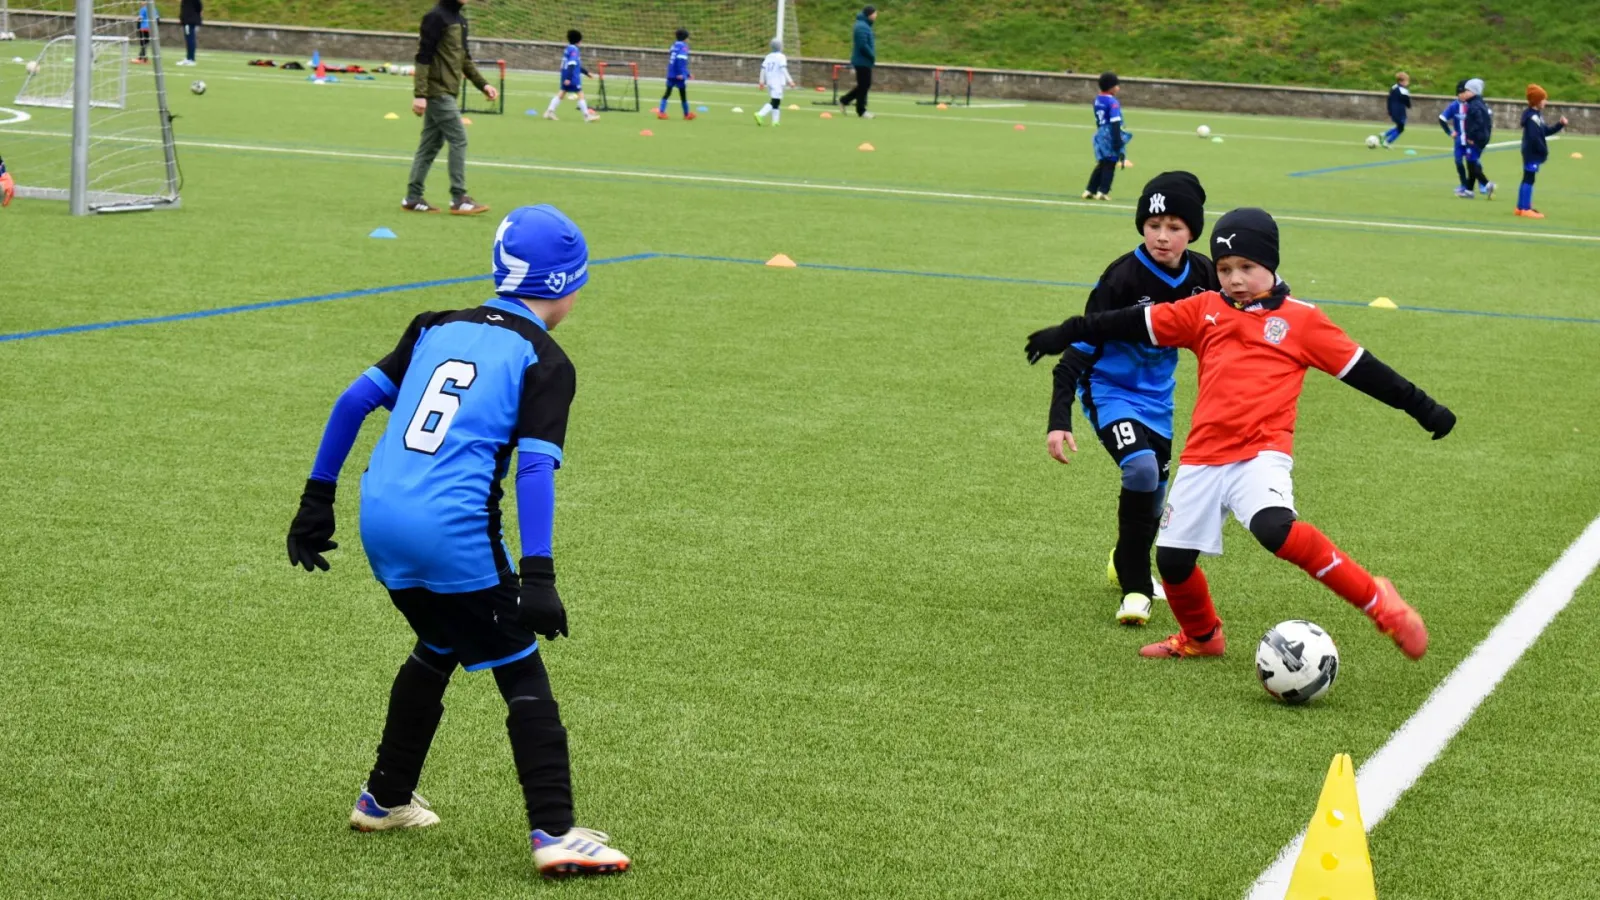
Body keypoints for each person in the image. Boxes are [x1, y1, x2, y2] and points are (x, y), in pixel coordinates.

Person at [285, 204, 631, 878]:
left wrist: (316, 499)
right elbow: (534, 469)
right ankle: (555, 830)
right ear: (565, 285)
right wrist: (538, 576)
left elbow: (353, 401)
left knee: (440, 640)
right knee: (520, 666)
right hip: (452, 532)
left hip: (380, 520)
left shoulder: (434, 325)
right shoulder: (545, 358)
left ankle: (384, 798)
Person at [1025, 207, 1454, 664]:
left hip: (1260, 452)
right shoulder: (1204, 310)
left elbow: (1368, 373)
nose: (1235, 279)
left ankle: (1378, 601)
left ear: (1271, 263)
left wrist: (1425, 408)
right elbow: (1128, 320)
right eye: (1225, 269)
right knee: (1172, 560)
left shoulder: (1303, 321)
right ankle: (1202, 636)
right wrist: (1068, 331)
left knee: (1275, 529)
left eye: (1247, 267)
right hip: (1202, 456)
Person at [1047, 172, 1217, 625]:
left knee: (1155, 500)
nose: (1162, 236)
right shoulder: (1121, 278)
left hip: (1159, 400)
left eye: (1174, 227)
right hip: (1108, 390)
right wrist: (1059, 418)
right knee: (1140, 469)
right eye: (1153, 225)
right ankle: (1136, 587)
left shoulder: (1204, 275)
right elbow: (1076, 351)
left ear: (1192, 232)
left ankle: (1125, 557)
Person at [405, 0, 495, 216]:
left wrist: (483, 85)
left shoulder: (460, 20)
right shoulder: (435, 17)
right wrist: (420, 95)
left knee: (429, 146)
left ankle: (412, 198)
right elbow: (423, 56)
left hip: (448, 92)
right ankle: (459, 198)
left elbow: (465, 60)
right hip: (438, 92)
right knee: (459, 139)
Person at [1516, 84, 1567, 219]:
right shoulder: (1532, 118)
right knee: (1529, 178)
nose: (1546, 102)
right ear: (1537, 101)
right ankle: (1525, 208)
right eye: (1543, 99)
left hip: (1531, 152)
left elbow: (1545, 131)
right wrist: (1543, 150)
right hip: (1532, 152)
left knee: (1527, 178)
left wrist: (1560, 124)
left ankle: (1520, 207)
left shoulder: (1536, 116)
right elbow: (1534, 138)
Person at [1083, 72, 1131, 200]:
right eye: (1117, 85)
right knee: (1110, 163)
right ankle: (1103, 191)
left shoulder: (1098, 99)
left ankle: (1090, 190)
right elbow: (1115, 121)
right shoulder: (1113, 102)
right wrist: (1117, 141)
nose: (1118, 88)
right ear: (1111, 87)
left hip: (1100, 133)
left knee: (1102, 163)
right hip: (1110, 133)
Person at [544, 30, 599, 122]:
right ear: (579, 41)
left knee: (562, 93)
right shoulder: (574, 50)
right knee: (580, 94)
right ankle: (587, 116)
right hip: (572, 76)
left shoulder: (568, 48)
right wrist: (569, 78)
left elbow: (576, 65)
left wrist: (586, 73)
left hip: (565, 74)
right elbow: (572, 64)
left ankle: (549, 111)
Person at [838, 6, 876, 119]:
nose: (876, 16)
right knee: (864, 85)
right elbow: (862, 45)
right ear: (869, 14)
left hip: (864, 60)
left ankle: (845, 100)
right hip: (861, 60)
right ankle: (861, 110)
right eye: (875, 13)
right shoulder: (861, 26)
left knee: (864, 85)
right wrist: (871, 55)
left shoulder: (865, 25)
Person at [1462, 78, 1495, 199]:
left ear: (1474, 92)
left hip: (1476, 139)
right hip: (1481, 137)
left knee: (1471, 163)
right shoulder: (1478, 104)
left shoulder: (1475, 105)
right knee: (1471, 162)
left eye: (1467, 90)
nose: (1465, 93)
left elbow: (1478, 123)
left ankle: (1487, 184)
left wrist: (1471, 136)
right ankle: (1469, 190)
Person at [754, 38, 795, 127]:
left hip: (769, 82)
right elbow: (783, 68)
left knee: (776, 101)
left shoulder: (768, 56)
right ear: (780, 46)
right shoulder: (781, 57)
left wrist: (761, 82)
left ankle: (775, 121)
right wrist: (790, 81)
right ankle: (760, 114)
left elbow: (763, 69)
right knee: (775, 101)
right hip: (778, 82)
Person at [1439, 81, 1471, 197]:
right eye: (1461, 93)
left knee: (1473, 162)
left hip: (1470, 139)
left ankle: (1483, 184)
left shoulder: (1472, 105)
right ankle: (1463, 184)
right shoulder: (1454, 106)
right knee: (1458, 162)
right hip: (1458, 140)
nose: (1463, 95)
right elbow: (1442, 118)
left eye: (1465, 92)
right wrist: (1450, 132)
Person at [657, 28, 694, 120]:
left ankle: (661, 112)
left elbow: (674, 59)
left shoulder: (674, 45)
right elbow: (681, 60)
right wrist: (683, 74)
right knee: (683, 94)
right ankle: (686, 114)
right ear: (685, 38)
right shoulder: (684, 47)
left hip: (671, 73)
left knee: (667, 93)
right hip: (678, 75)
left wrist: (687, 73)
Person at [1380, 71, 1409, 147]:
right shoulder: (1404, 90)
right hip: (1400, 112)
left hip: (1393, 111)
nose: (1407, 83)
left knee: (1399, 126)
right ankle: (1388, 142)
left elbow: (1389, 99)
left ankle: (1384, 134)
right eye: (1406, 81)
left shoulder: (1393, 87)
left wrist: (1389, 110)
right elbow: (1407, 102)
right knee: (1401, 129)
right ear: (1401, 81)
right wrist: (1408, 105)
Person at [177, 0, 199, 66]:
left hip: (189, 21)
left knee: (190, 40)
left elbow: (199, 6)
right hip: (188, 21)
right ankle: (189, 58)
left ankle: (191, 59)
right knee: (189, 39)